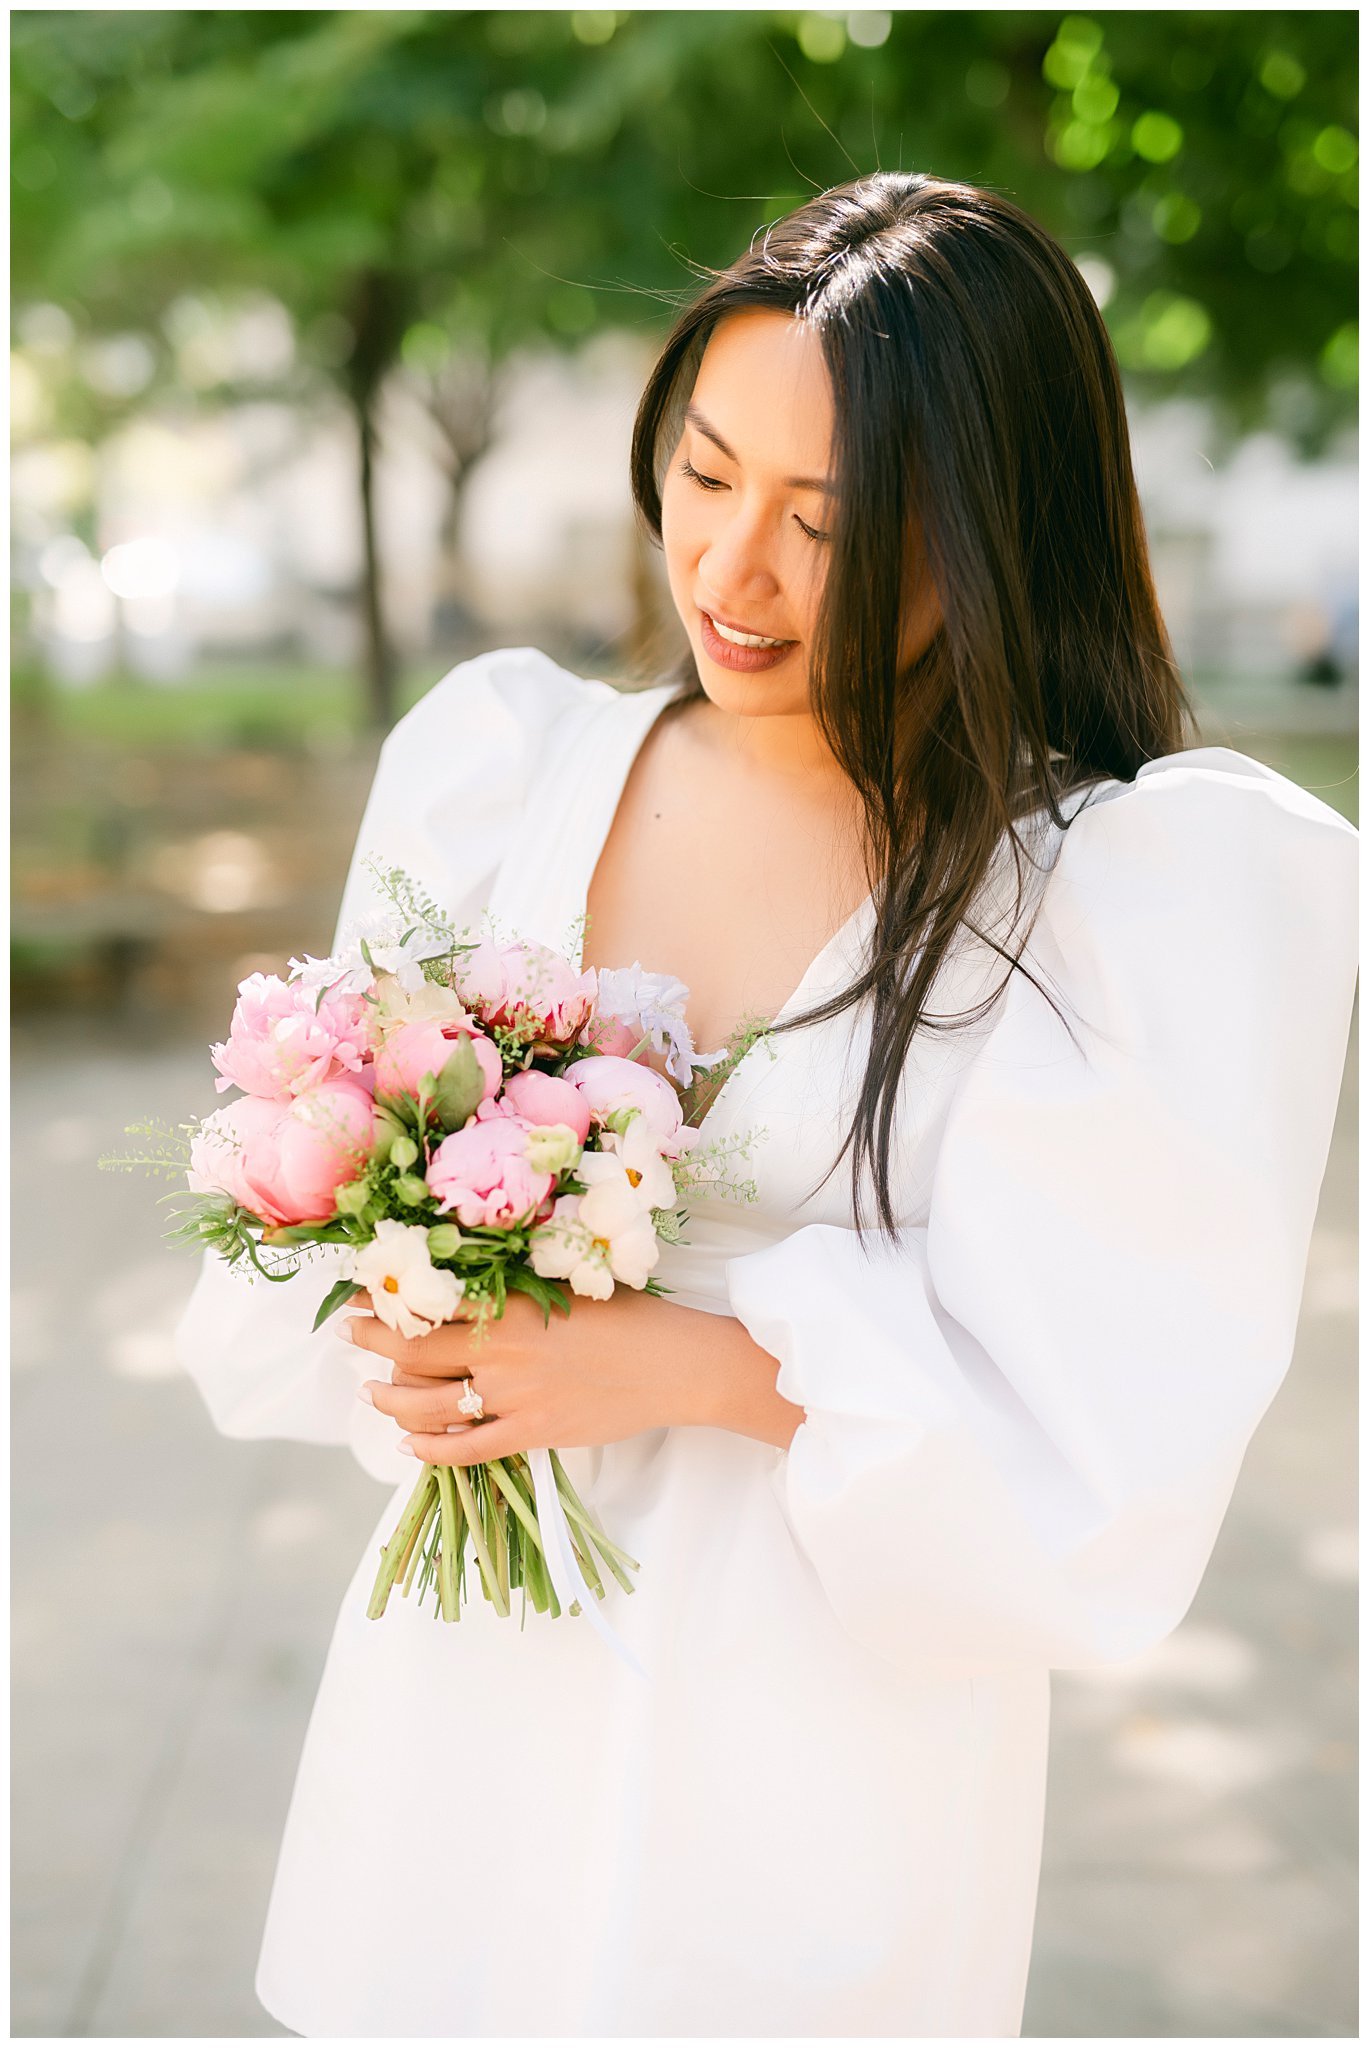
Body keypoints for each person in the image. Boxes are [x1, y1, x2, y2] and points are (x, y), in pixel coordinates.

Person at [172, 172, 1359, 2038]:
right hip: (473, 1705)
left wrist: (695, 1367)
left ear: (987, 529)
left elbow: (1095, 1459)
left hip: (820, 1751)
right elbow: (306, 1268)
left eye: (826, 521)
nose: (729, 571)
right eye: (706, 474)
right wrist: (397, 1291)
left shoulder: (1091, 900)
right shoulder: (504, 772)